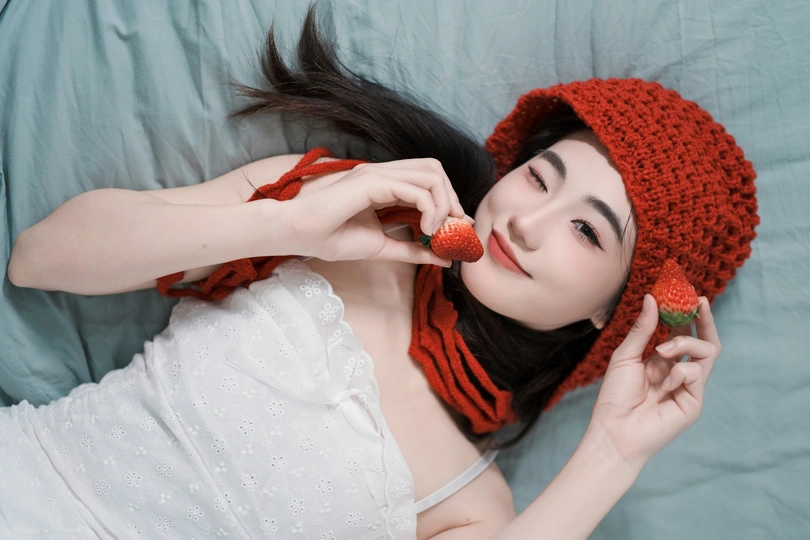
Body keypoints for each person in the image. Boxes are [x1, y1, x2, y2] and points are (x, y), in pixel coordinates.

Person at [3, 8, 758, 540]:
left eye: (587, 230)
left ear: (611, 314)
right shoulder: (341, 210)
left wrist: (615, 452)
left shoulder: (474, 505)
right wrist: (286, 224)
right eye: (538, 177)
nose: (527, 221)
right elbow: (40, 257)